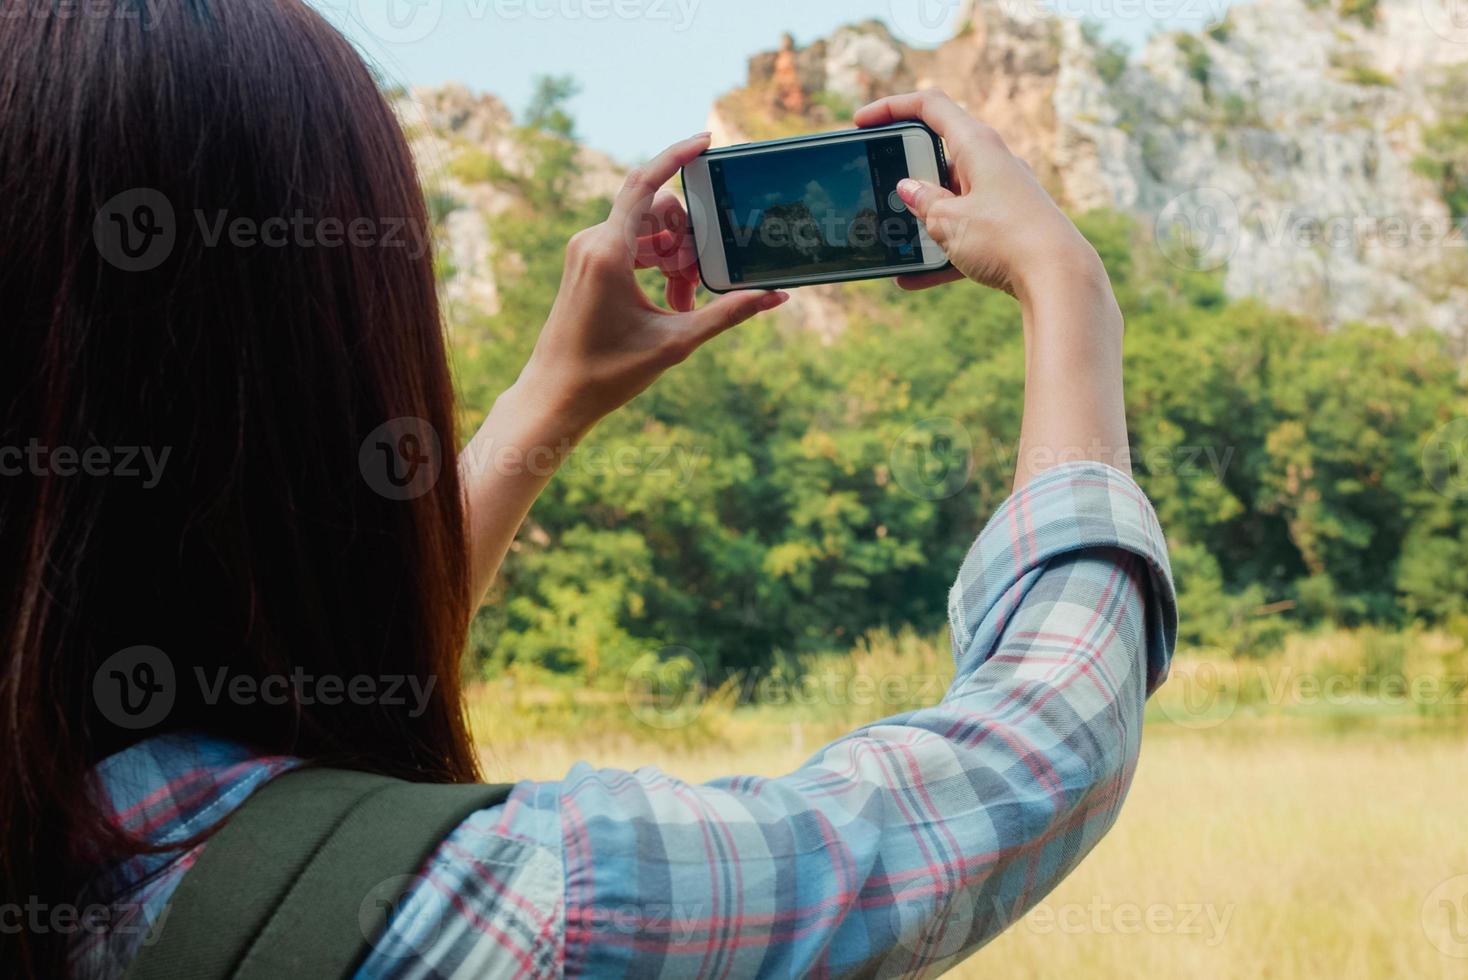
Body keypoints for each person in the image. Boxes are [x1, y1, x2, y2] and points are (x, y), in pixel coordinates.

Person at [0, 2, 1175, 977]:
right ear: (318, 383)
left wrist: (545, 403)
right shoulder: (501, 914)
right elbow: (1031, 755)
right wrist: (1066, 289)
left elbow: (304, 667)